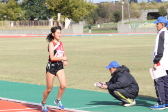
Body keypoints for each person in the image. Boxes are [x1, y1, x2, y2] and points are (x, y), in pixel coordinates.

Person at [40, 26, 68, 112]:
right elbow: (52, 57)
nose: (59, 34)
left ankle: (58, 100)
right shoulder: (51, 44)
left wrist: (65, 60)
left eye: (60, 33)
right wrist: (62, 59)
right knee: (49, 89)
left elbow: (64, 55)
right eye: (58, 33)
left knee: (63, 85)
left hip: (59, 66)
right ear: (53, 34)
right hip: (51, 66)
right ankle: (43, 103)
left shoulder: (61, 43)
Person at [150, 16, 168, 110]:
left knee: (159, 83)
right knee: (165, 83)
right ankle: (166, 102)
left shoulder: (161, 34)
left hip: (161, 63)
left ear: (162, 24)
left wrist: (155, 62)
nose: (156, 25)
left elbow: (159, 51)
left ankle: (161, 103)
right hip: (166, 63)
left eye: (157, 23)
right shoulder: (167, 33)